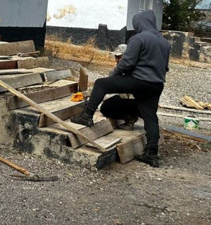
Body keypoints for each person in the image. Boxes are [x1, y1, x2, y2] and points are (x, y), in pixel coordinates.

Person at [71, 10, 170, 167]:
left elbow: (127, 62)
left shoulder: (138, 38)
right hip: (156, 84)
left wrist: (114, 75)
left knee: (101, 84)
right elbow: (165, 67)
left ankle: (86, 115)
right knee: (151, 117)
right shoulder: (165, 43)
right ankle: (152, 154)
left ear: (140, 23)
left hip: (138, 81)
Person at [98, 44, 140, 130]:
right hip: (131, 101)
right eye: (116, 57)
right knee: (106, 105)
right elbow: (106, 85)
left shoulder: (135, 69)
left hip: (138, 102)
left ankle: (130, 119)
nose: (116, 60)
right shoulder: (118, 69)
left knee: (107, 107)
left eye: (119, 57)